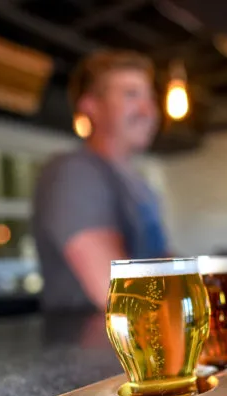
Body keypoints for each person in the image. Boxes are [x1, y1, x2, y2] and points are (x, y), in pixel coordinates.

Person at [32, 50, 170, 312]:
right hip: (93, 338)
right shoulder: (73, 173)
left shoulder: (139, 185)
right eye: (131, 95)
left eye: (150, 97)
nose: (148, 110)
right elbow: (118, 293)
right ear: (91, 106)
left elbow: (164, 262)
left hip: (149, 334)